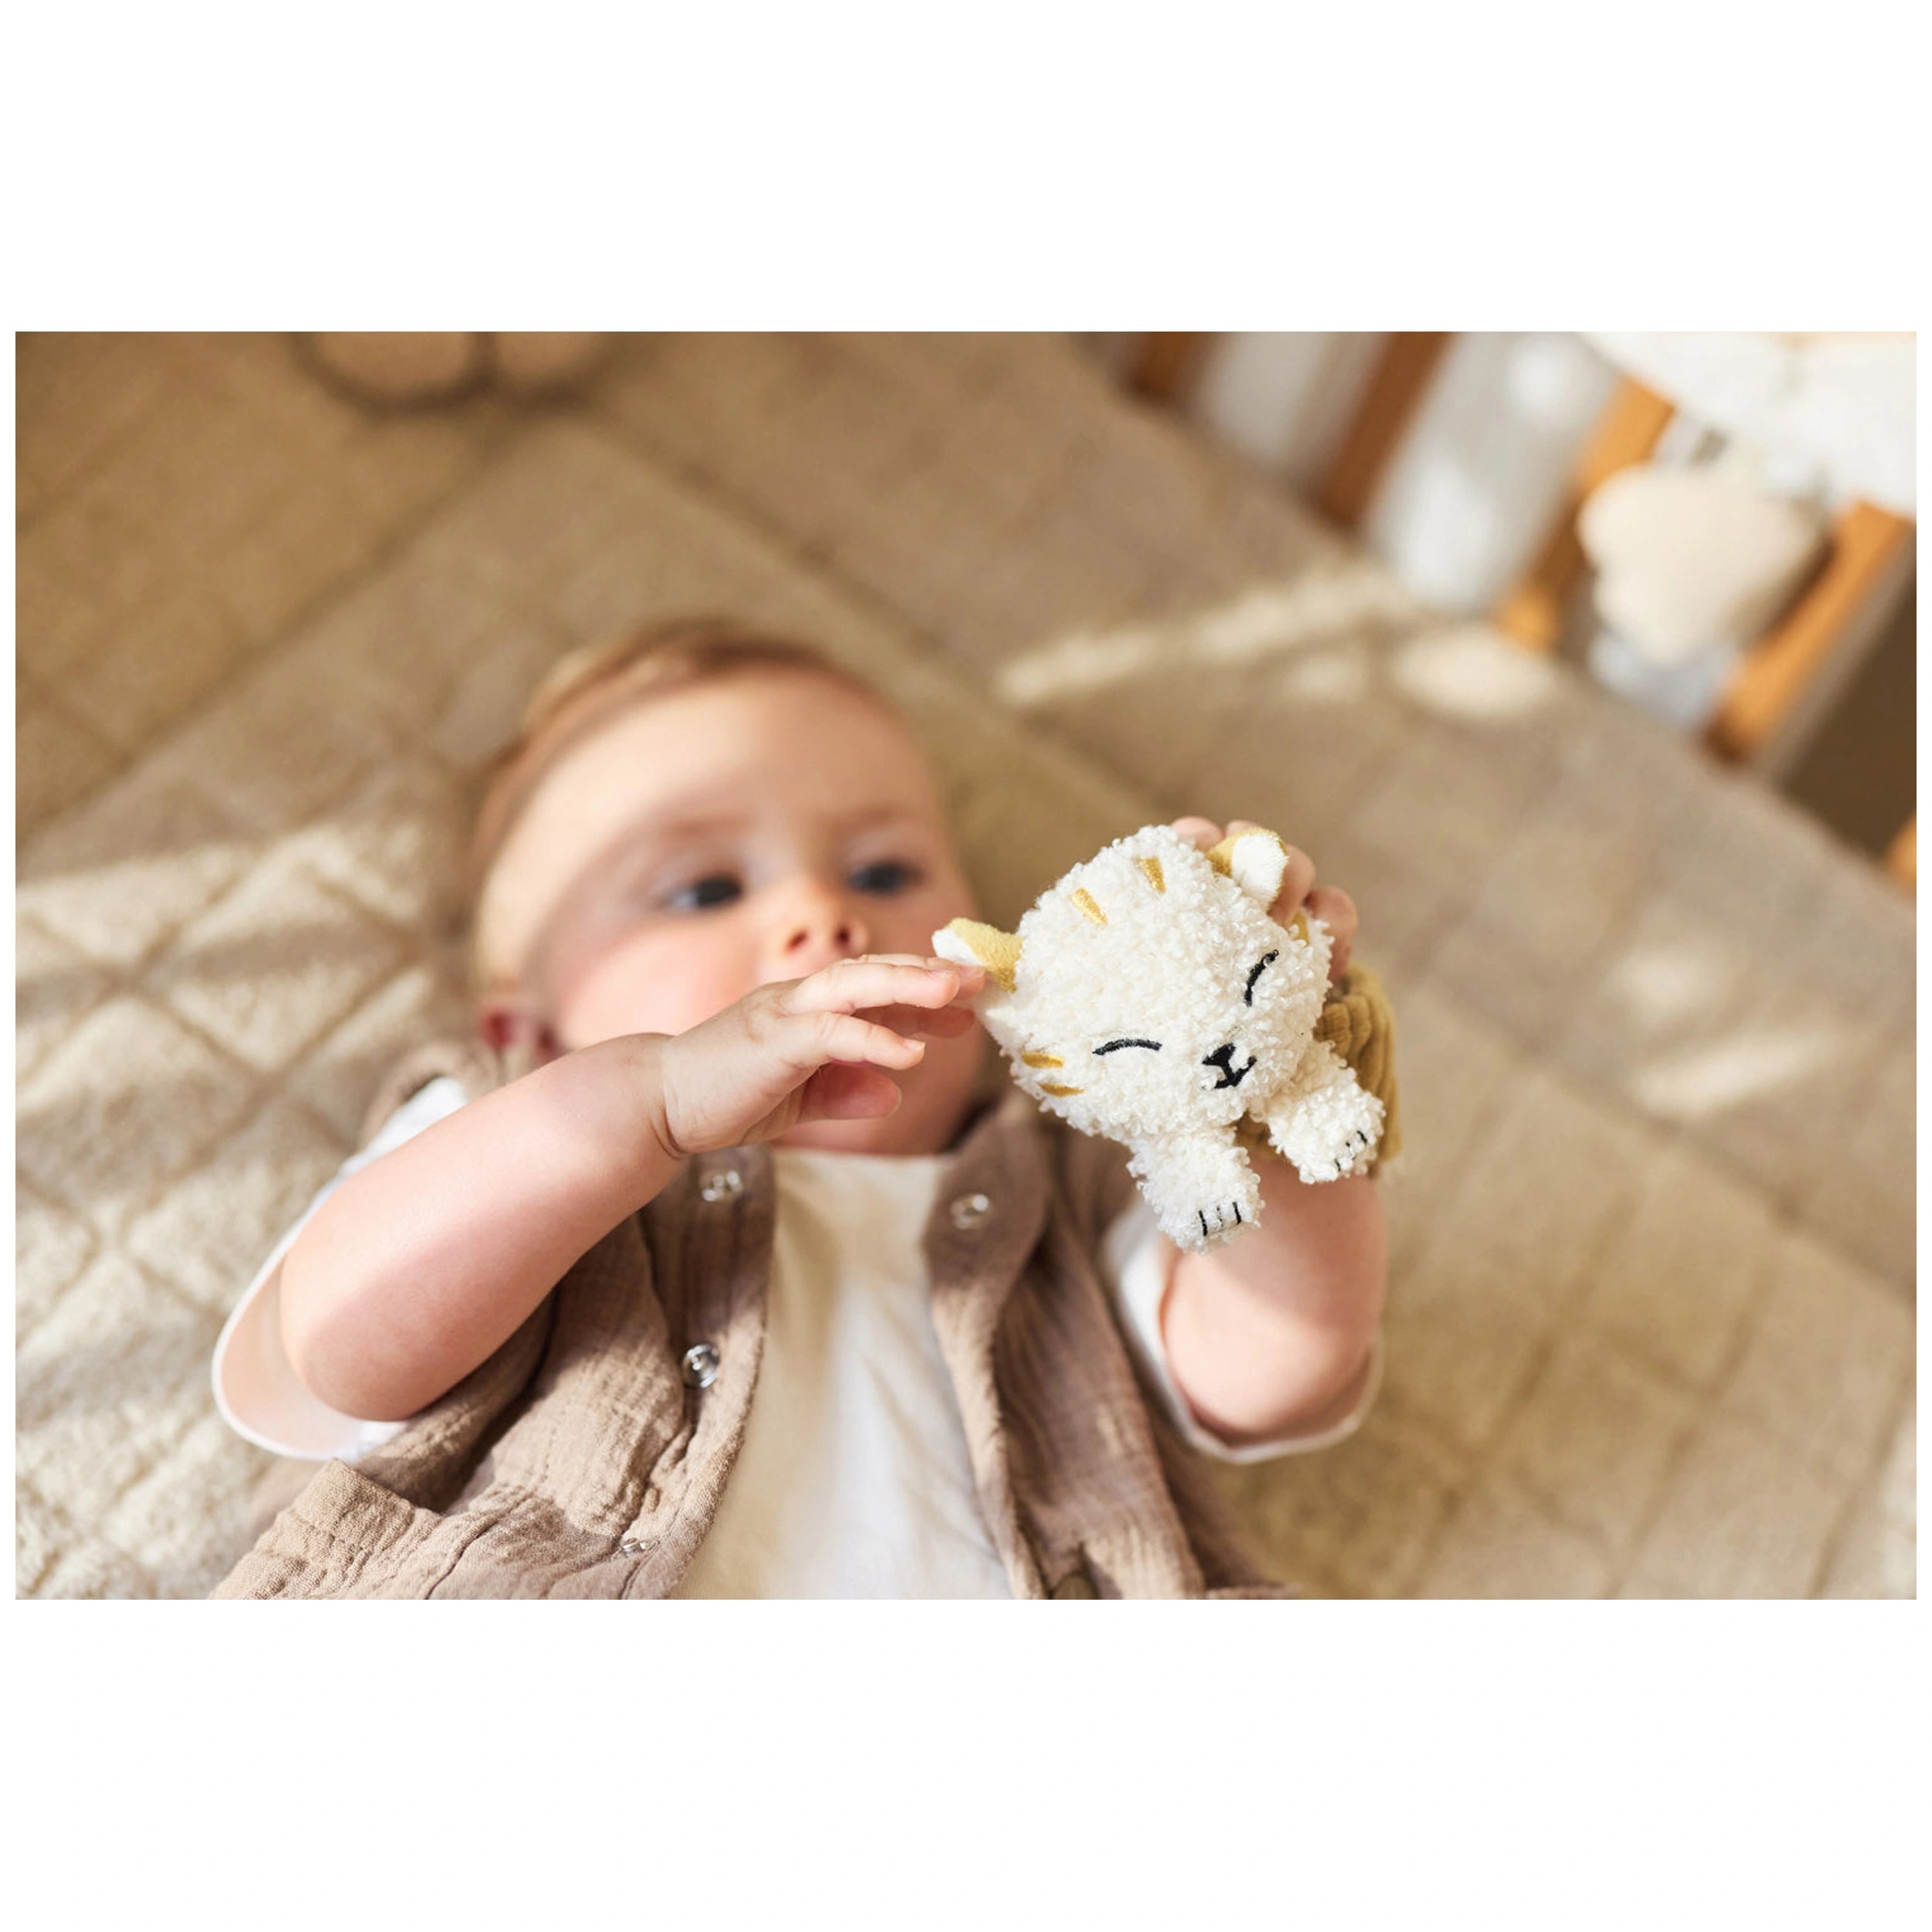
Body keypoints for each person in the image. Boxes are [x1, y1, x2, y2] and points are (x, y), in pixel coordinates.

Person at [210, 618, 1394, 1598]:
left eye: (884, 872)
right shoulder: (502, 1135)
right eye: (703, 889)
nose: (824, 914)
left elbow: (1274, 1366)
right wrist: (643, 1103)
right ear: (527, 1029)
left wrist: (1254, 1072)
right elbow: (333, 1348)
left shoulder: (1066, 1181)